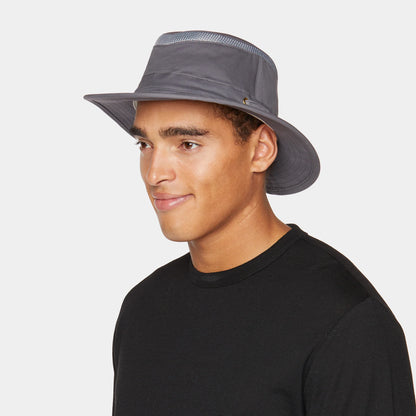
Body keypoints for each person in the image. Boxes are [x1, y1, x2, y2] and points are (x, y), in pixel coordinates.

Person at [84, 30, 416, 415]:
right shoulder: (144, 309)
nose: (155, 172)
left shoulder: (345, 321)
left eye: (188, 144)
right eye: (145, 145)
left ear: (260, 150)